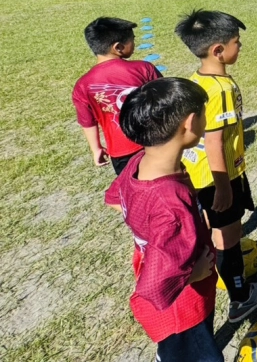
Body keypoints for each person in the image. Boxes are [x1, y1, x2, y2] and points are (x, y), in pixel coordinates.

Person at [104, 77, 222, 362]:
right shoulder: (169, 202)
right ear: (190, 123)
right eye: (205, 113)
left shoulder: (138, 162)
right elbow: (155, 287)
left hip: (174, 303)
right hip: (183, 308)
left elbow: (114, 200)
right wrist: (194, 272)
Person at [174, 10, 257, 323]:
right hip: (218, 176)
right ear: (218, 50)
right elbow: (214, 142)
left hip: (200, 174)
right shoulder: (219, 90)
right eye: (236, 42)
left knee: (220, 232)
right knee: (228, 236)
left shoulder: (199, 80)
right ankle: (241, 297)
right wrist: (223, 186)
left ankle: (224, 272)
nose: (241, 46)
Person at [73, 17, 161, 174]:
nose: (134, 44)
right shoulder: (143, 68)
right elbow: (166, 100)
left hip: (120, 154)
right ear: (118, 47)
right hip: (155, 143)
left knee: (134, 193)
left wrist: (96, 149)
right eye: (132, 40)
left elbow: (87, 122)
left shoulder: (82, 85)